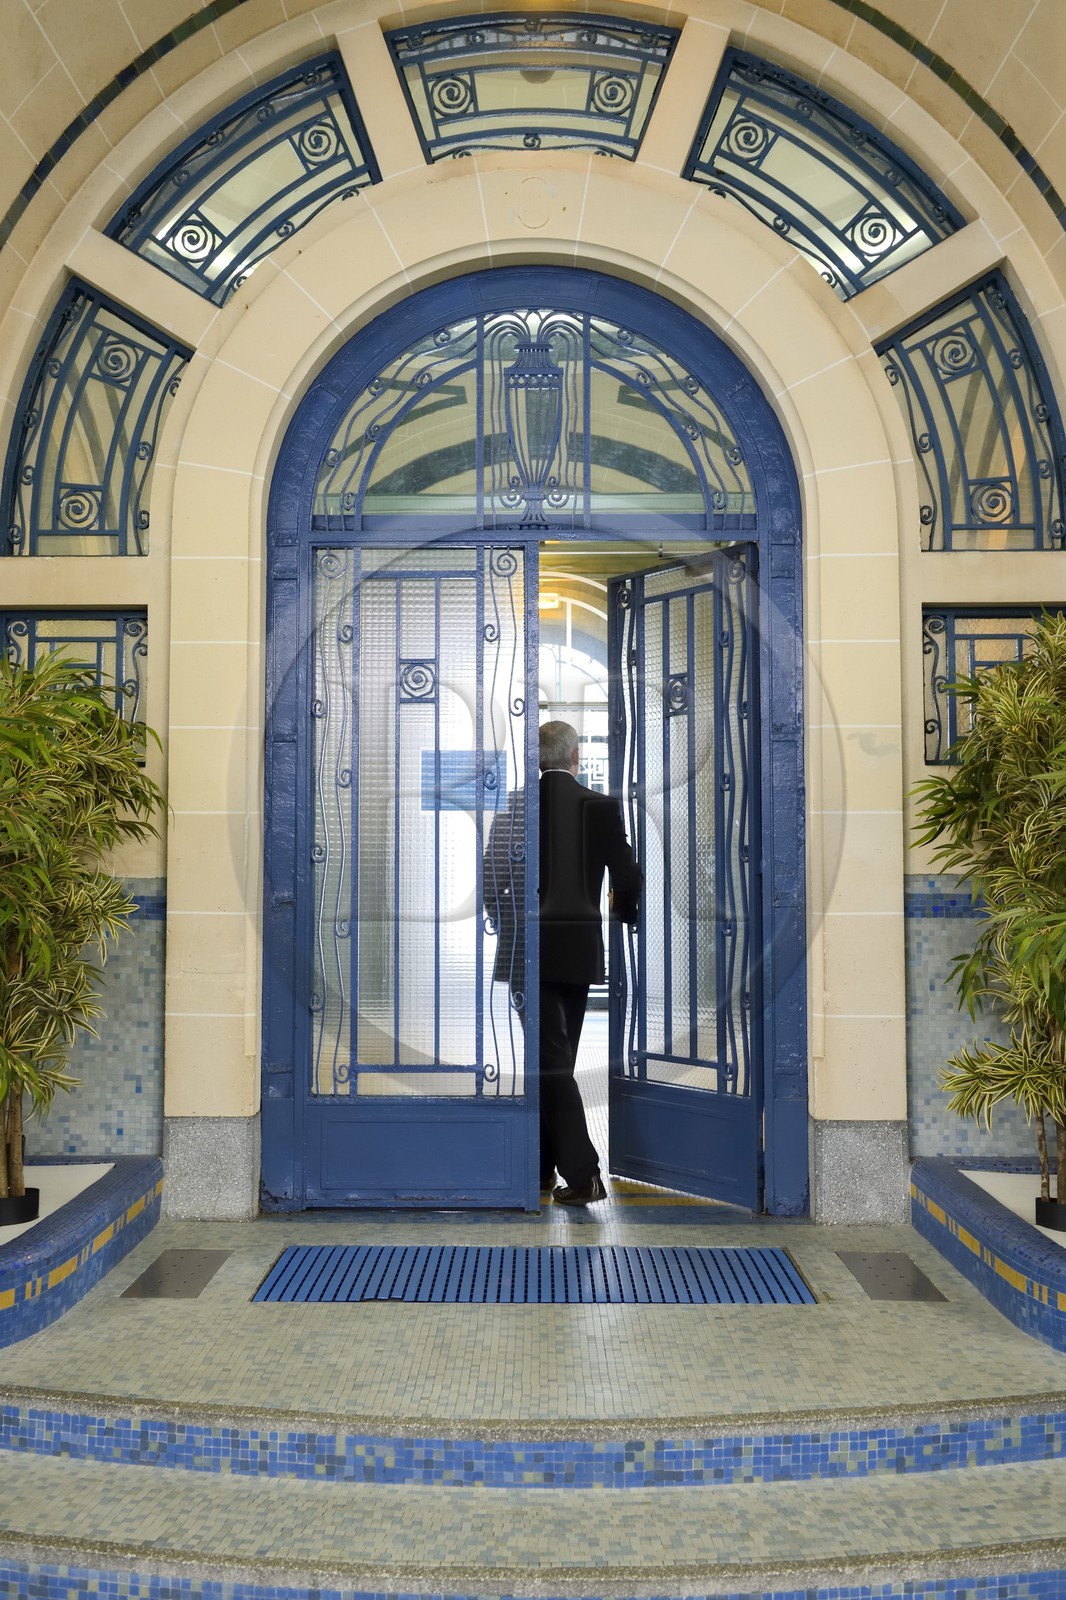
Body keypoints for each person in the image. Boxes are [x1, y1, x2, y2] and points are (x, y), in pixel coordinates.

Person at [484, 720, 641, 1206]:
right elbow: (629, 876)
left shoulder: (515, 808)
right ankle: (545, 1168)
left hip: (525, 953)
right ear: (576, 759)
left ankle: (580, 1173)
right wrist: (619, 914)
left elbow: (491, 880)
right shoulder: (601, 807)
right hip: (578, 954)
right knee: (556, 1060)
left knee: (551, 1062)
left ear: (538, 760)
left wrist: (503, 916)